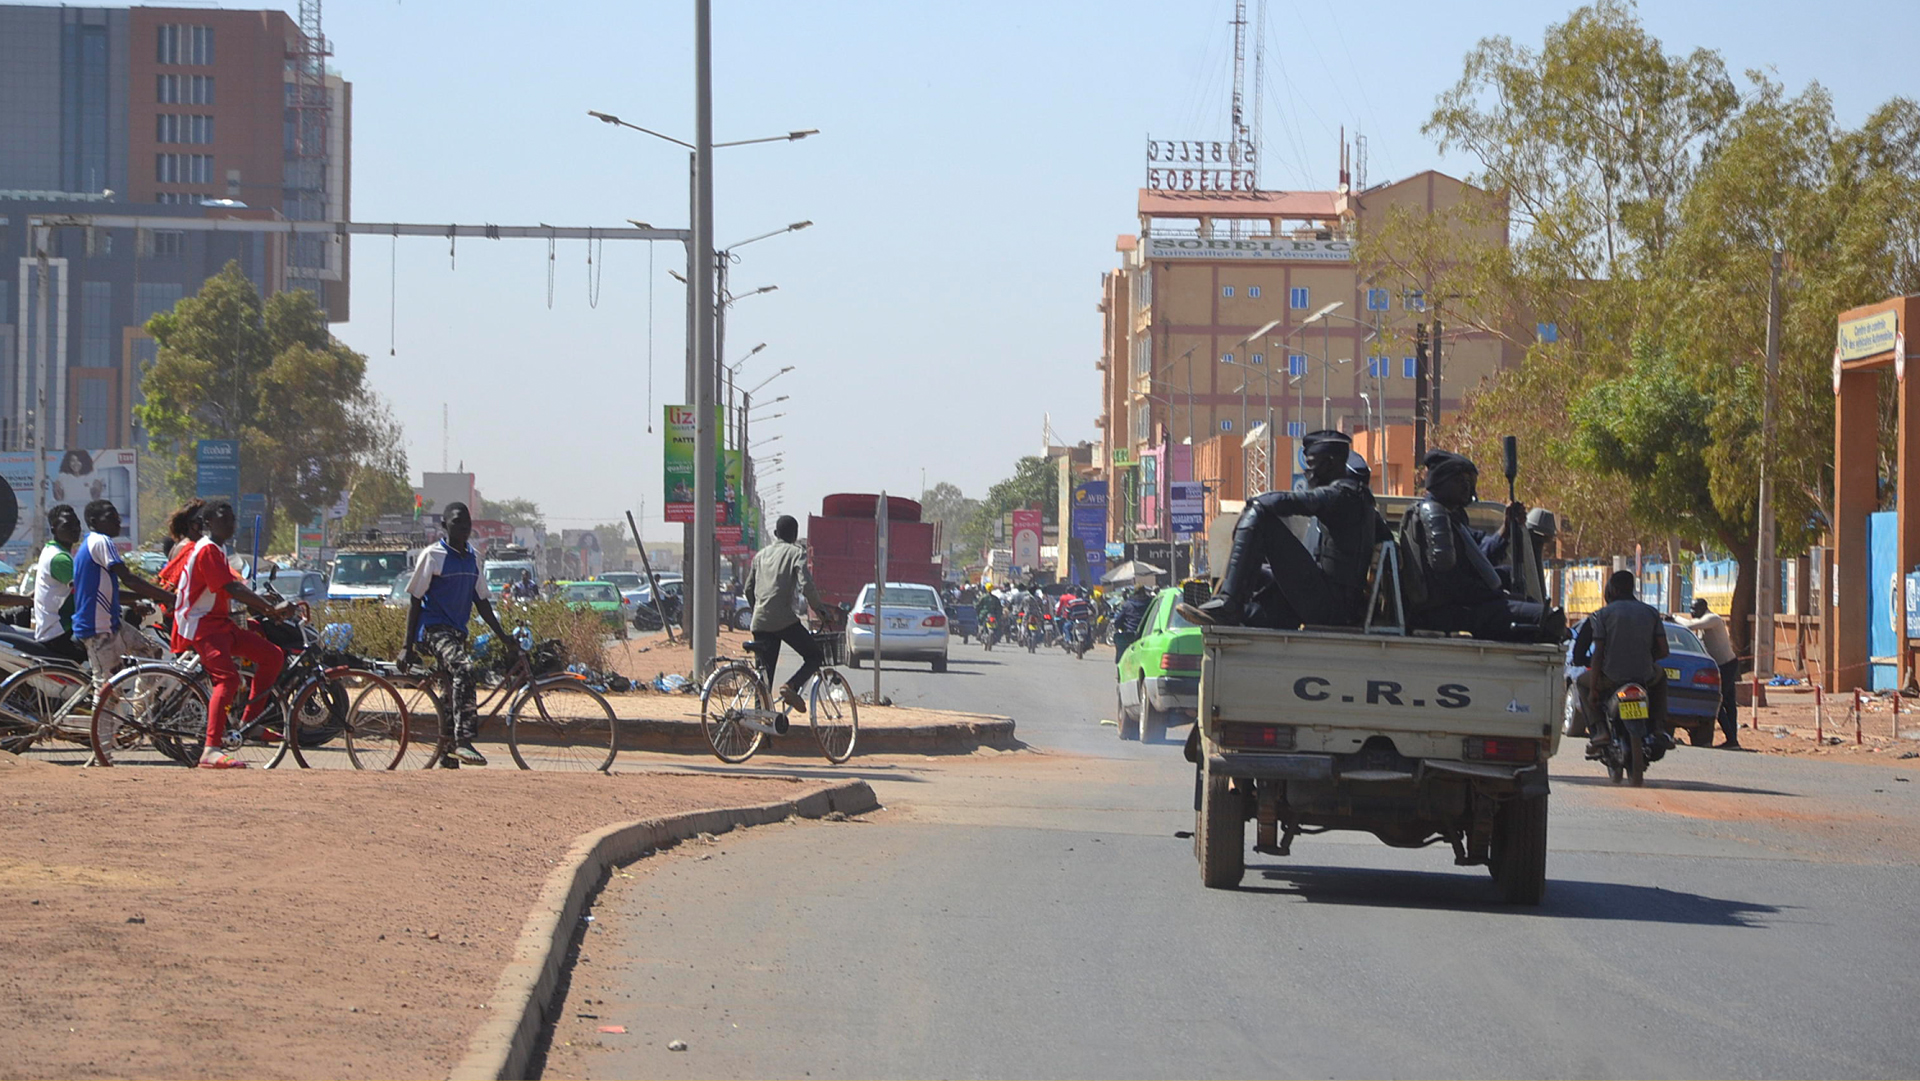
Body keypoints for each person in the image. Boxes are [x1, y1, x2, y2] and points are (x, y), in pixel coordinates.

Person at [1180, 430, 1380, 629]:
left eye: (1311, 464)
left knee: (1260, 515)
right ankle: (1227, 608)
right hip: (1331, 603)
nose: (1307, 472)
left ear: (1329, 463)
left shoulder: (1344, 497)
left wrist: (1253, 505)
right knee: (1255, 597)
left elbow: (1291, 502)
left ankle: (1228, 604)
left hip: (1332, 607)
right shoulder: (1359, 500)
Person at [172, 501, 296, 769]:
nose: (231, 524)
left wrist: (267, 602)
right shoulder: (206, 551)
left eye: (232, 519)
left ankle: (250, 724)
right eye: (223, 519)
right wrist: (270, 609)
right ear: (208, 524)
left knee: (272, 656)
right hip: (201, 624)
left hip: (220, 623)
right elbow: (231, 588)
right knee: (227, 679)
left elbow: (237, 586)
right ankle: (210, 750)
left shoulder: (220, 549)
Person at [400, 502, 517, 768]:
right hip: (432, 630)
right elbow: (415, 600)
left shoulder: (473, 558)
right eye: (456, 523)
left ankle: (447, 753)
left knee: (450, 691)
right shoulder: (433, 556)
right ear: (444, 526)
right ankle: (463, 740)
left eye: (466, 523)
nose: (463, 528)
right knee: (464, 668)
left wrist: (503, 637)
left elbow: (482, 602)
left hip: (456, 632)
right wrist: (407, 647)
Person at [1398, 449, 1556, 642]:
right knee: (1546, 619)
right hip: (1446, 614)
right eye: (1461, 482)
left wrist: (1506, 528)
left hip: (1458, 608)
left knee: (1511, 579)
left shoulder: (1451, 518)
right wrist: (1499, 596)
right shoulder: (1434, 517)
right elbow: (1455, 586)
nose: (1468, 489)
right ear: (1441, 480)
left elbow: (1479, 552)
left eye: (1469, 483)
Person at [71, 499, 172, 699]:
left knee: (152, 653)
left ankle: (142, 717)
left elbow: (112, 591)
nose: (117, 521)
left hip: (111, 624)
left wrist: (138, 600)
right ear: (93, 521)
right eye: (111, 517)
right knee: (108, 693)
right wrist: (168, 596)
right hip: (98, 629)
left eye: (118, 517)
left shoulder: (94, 544)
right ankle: (102, 731)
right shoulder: (101, 541)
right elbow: (128, 578)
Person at [1573, 570, 1670, 756]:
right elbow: (1664, 650)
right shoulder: (1651, 612)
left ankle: (1600, 729)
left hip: (1610, 677)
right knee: (1661, 675)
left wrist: (1594, 690)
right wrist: (1648, 660)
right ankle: (1658, 726)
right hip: (1645, 675)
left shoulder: (1601, 615)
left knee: (1580, 683)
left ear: (1613, 590)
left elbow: (1598, 653)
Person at [742, 514, 828, 723]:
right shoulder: (796, 553)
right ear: (795, 535)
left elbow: (748, 589)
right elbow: (806, 585)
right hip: (783, 620)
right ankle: (791, 686)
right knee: (815, 656)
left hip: (759, 622)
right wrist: (819, 609)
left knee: (764, 678)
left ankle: (760, 730)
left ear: (775, 534)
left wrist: (759, 611)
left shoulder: (760, 555)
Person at [1674, 598, 1740, 748]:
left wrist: (1675, 617)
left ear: (1704, 608)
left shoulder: (1713, 619)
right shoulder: (1704, 623)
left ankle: (1732, 738)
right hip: (1720, 666)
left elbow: (1690, 625)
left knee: (1720, 702)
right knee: (1728, 703)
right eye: (1690, 609)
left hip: (1727, 665)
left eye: (1694, 609)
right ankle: (1732, 740)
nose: (1691, 612)